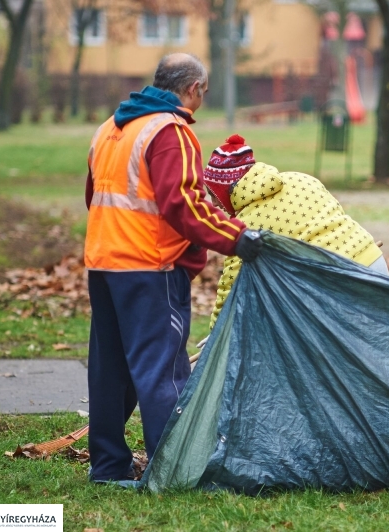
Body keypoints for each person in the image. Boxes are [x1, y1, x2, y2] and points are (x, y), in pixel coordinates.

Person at [84, 53, 259, 483]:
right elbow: (184, 206)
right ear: (195, 89)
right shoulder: (170, 131)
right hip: (150, 267)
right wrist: (238, 238)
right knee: (162, 369)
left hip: (104, 262)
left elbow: (94, 196)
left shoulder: (111, 128)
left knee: (111, 370)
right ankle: (174, 469)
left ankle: (108, 467)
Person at [202, 134, 387, 330]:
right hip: (374, 264)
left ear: (228, 189)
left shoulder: (245, 224)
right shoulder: (301, 178)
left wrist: (217, 333)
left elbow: (231, 284)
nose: (213, 203)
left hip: (338, 288)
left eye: (214, 194)